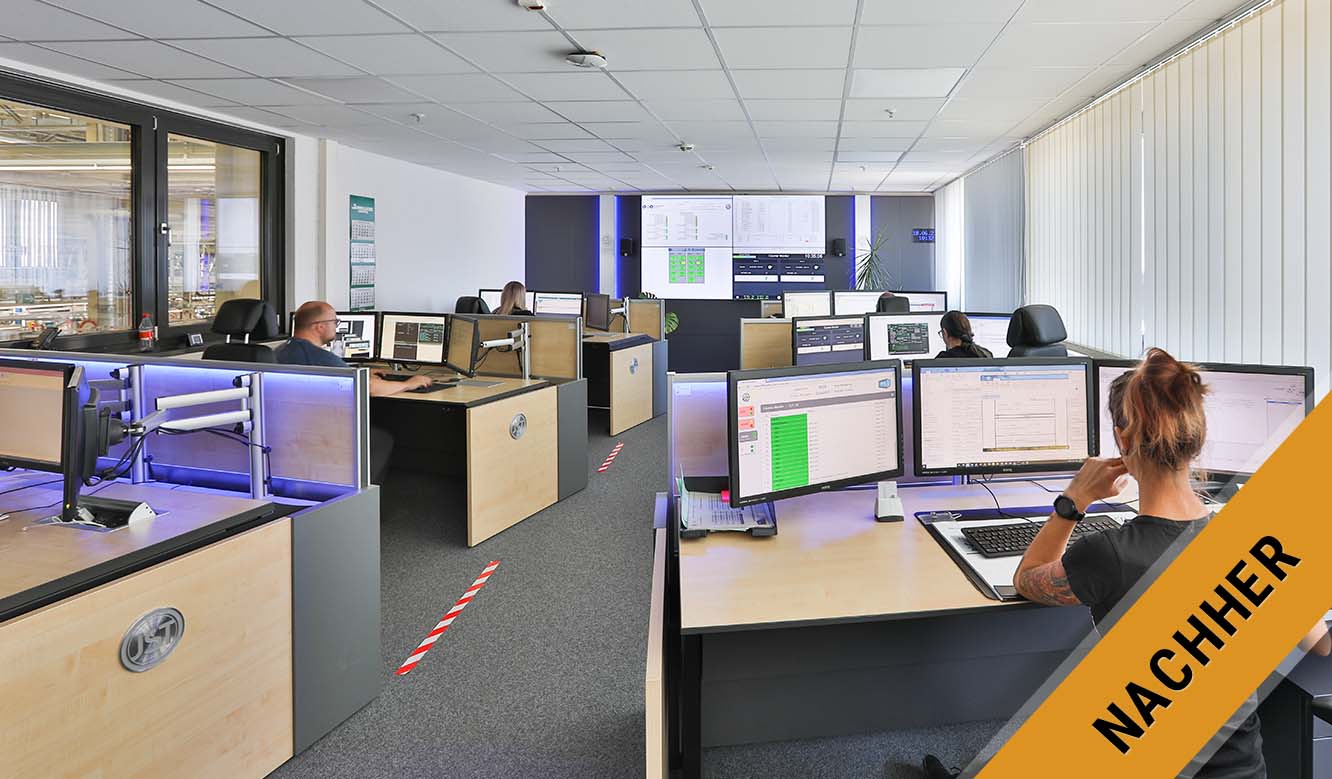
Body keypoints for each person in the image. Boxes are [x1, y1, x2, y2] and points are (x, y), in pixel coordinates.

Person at [940, 347, 1327, 778]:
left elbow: (1027, 578)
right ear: (1196, 438)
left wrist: (1075, 500)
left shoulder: (1108, 554)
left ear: (1122, 441)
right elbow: (1321, 641)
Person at [277, 301, 432, 485]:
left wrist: (361, 373)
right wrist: (409, 383)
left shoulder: (283, 351)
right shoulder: (320, 358)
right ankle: (363, 497)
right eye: (335, 322)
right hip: (320, 435)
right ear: (320, 327)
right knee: (381, 440)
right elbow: (370, 388)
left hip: (289, 432)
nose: (337, 325)